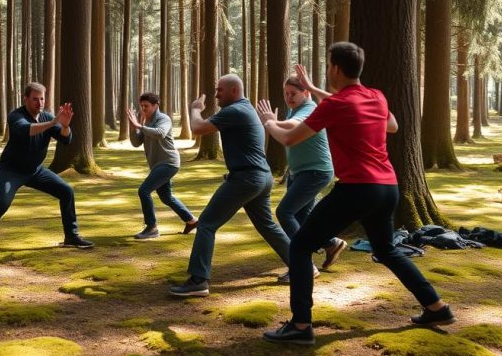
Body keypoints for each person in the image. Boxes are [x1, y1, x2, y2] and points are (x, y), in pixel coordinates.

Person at [260, 43, 453, 346]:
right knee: (387, 250)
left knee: (299, 247)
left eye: (328, 67)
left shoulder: (334, 106)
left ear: (335, 69)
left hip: (357, 189)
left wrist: (269, 122)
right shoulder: (376, 96)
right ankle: (436, 307)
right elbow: (392, 125)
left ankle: (300, 325)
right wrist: (314, 89)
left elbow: (288, 137)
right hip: (388, 188)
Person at [169, 74, 293, 297]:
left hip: (247, 178)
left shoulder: (235, 110)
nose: (216, 95)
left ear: (234, 91)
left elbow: (197, 128)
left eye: (219, 91)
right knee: (267, 226)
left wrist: (196, 108)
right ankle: (302, 266)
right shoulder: (244, 109)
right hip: (260, 177)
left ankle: (198, 280)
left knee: (206, 223)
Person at [0, 82, 94, 254]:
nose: (39, 103)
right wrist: (53, 122)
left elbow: (66, 140)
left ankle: (71, 236)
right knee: (2, 202)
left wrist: (65, 126)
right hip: (12, 171)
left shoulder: (46, 117)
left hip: (35, 171)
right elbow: (25, 130)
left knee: (66, 191)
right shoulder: (16, 116)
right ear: (26, 99)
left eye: (42, 99)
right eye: (35, 99)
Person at [257, 77, 347, 282]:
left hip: (315, 172)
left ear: (306, 92)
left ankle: (302, 265)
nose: (289, 97)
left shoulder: (310, 108)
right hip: (299, 173)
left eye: (293, 93)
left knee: (285, 212)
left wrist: (271, 121)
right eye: (286, 94)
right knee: (302, 219)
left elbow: (291, 126)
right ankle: (331, 243)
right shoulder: (295, 109)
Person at [126, 92, 197, 239]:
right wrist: (133, 127)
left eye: (146, 106)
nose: (143, 109)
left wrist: (139, 125)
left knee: (143, 191)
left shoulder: (163, 119)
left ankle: (152, 228)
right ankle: (191, 220)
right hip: (159, 165)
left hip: (169, 162)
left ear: (155, 105)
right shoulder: (146, 122)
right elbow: (136, 143)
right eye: (141, 106)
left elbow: (160, 133)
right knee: (166, 197)